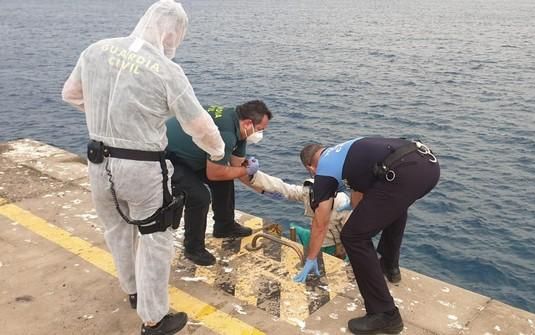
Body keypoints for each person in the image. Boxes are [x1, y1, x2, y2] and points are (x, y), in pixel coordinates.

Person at [61, 1, 225, 334]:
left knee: (117, 231)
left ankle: (133, 292)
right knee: (155, 239)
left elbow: (71, 94)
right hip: (142, 168)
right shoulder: (166, 70)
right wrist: (218, 151)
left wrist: (112, 124)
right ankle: (154, 318)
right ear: (170, 31)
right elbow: (199, 125)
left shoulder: (96, 50)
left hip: (98, 161)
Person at [294, 137, 440, 335]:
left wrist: (311, 258)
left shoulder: (323, 171)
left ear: (310, 168)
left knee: (353, 237)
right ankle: (389, 266)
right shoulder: (344, 151)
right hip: (427, 166)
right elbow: (362, 200)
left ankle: (386, 315)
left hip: (403, 173)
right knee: (394, 206)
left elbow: (321, 222)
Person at [166, 101, 272, 266]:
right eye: (260, 129)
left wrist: (268, 189)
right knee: (199, 197)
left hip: (192, 156)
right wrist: (246, 170)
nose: (261, 134)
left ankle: (225, 226)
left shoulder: (240, 129)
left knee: (225, 180)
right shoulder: (227, 133)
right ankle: (193, 248)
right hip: (169, 157)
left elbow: (236, 167)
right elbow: (214, 173)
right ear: (248, 123)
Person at [249, 170, 351, 258]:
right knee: (296, 229)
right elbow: (284, 188)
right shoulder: (308, 192)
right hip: (317, 239)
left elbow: (353, 232)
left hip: (335, 245)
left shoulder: (342, 202)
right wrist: (254, 175)